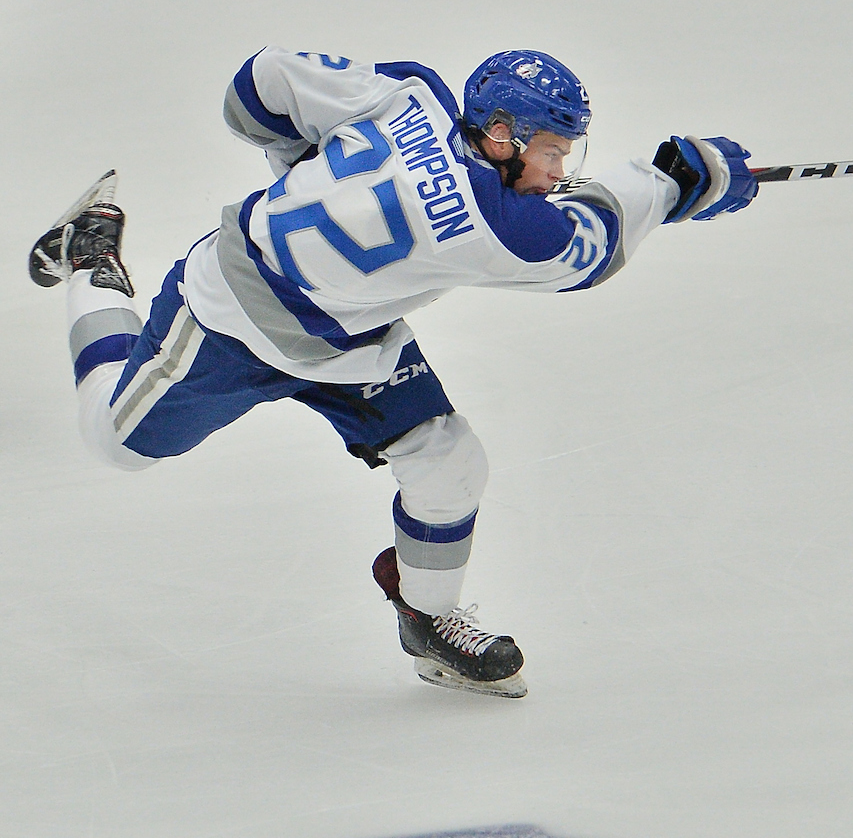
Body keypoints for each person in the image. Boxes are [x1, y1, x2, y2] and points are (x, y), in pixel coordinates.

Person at [28, 47, 757, 697]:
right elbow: (589, 248)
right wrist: (673, 182)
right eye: (552, 150)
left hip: (351, 338)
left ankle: (429, 621)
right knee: (112, 440)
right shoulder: (499, 227)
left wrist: (304, 175)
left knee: (449, 461)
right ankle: (91, 255)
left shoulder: (410, 92)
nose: (560, 170)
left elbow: (258, 86)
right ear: (500, 134)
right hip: (229, 321)